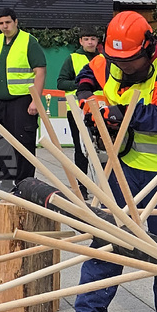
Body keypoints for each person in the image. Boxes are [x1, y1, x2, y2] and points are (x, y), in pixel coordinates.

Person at [71, 11, 157, 312]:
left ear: (148, 49)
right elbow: (85, 78)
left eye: (130, 60)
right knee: (109, 241)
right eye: (118, 59)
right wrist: (90, 101)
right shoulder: (108, 63)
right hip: (121, 168)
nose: (123, 66)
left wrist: (124, 113)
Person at [0, 8, 46, 194]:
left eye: (8, 23)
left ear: (16, 22)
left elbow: (40, 71)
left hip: (21, 100)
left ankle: (24, 185)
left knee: (22, 143)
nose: (4, 27)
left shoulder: (29, 41)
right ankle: (6, 182)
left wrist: (36, 100)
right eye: (1, 23)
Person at [57, 28, 104, 198]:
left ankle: (106, 186)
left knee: (105, 148)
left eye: (92, 38)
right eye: (86, 39)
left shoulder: (104, 59)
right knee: (81, 149)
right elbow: (61, 82)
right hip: (77, 110)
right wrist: (84, 86)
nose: (90, 42)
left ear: (97, 41)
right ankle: (82, 187)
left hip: (101, 108)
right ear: (81, 41)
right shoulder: (72, 58)